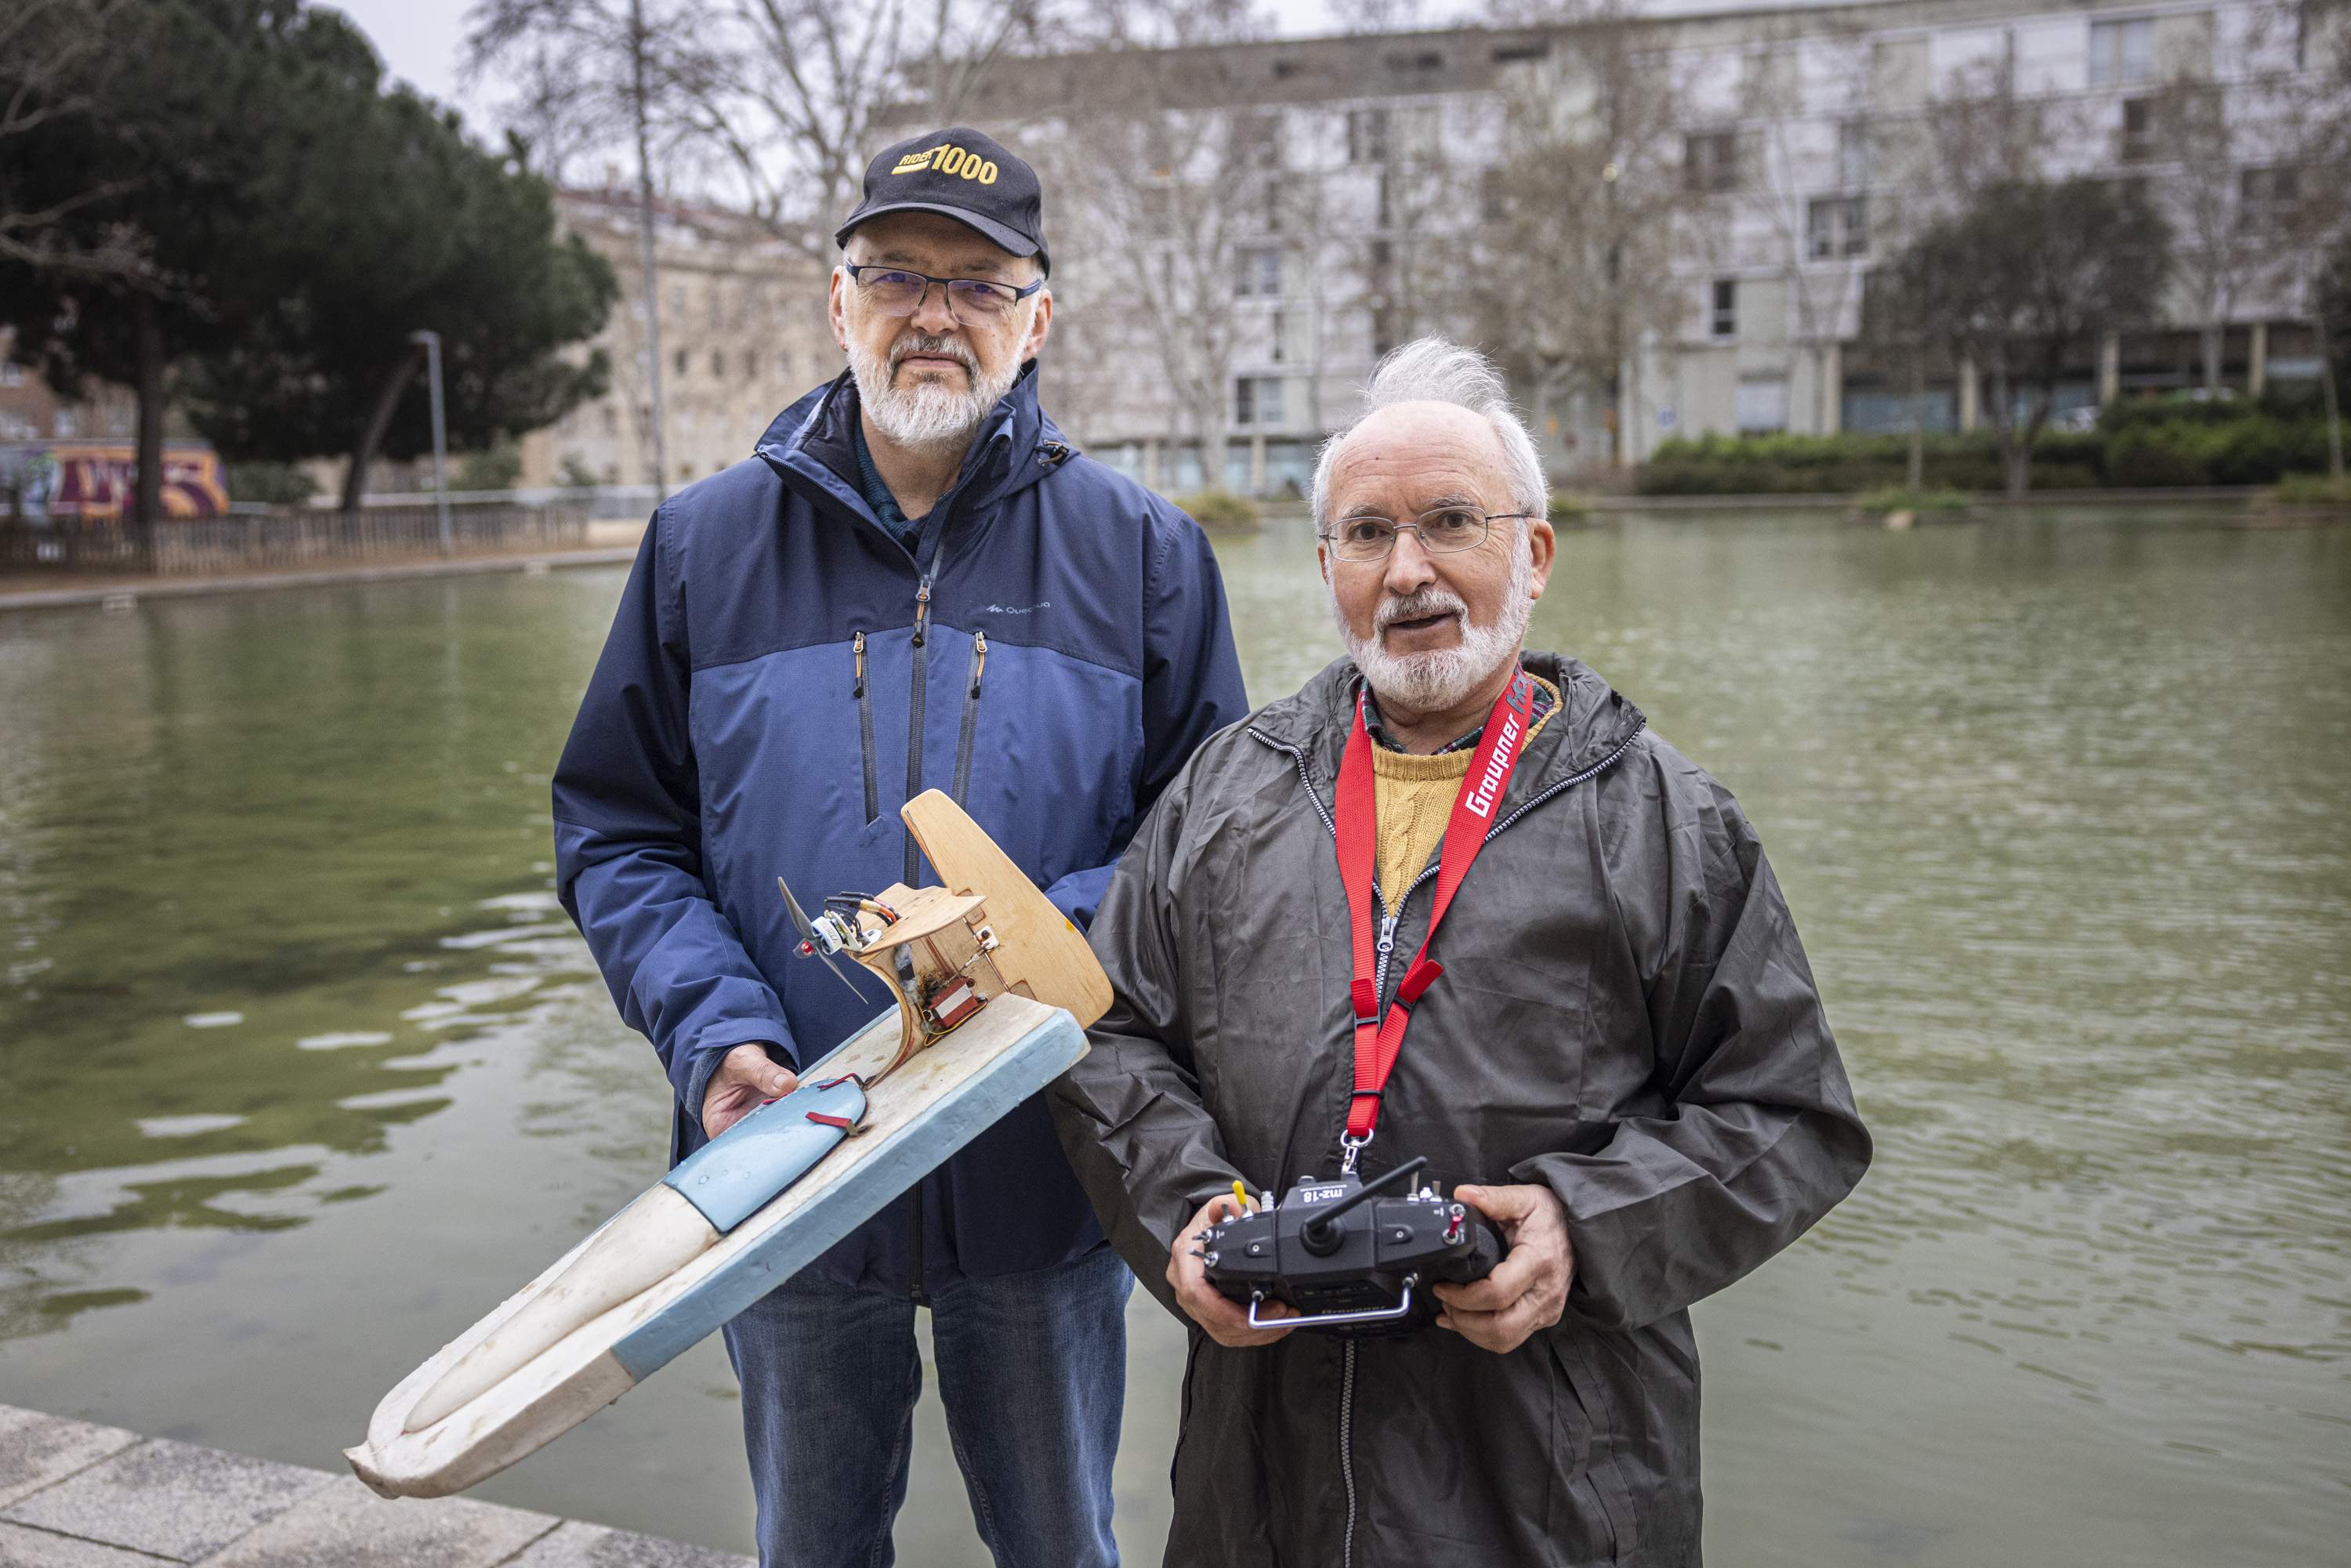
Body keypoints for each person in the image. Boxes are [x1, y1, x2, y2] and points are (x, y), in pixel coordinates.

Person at [1050, 338, 1871, 1567]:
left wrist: (1579, 1226)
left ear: (1532, 554)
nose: (1410, 570)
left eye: (1450, 521)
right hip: (1262, 1476)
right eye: (1368, 532)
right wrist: (1186, 1216)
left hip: (1551, 1478)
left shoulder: (1661, 817)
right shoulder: (1229, 790)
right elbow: (1107, 1033)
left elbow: (1796, 1116)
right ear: (1327, 565)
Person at [552, 126, 1248, 1568]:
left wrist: (1031, 939)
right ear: (838, 300)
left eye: (979, 284)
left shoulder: (1147, 555)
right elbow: (620, 831)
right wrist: (715, 1030)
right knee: (808, 1546)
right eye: (898, 273)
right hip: (784, 1161)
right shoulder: (700, 546)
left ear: (1037, 318)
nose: (934, 312)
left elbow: (1207, 845)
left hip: (1048, 1165)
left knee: (1063, 1541)